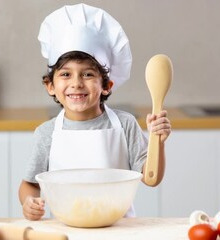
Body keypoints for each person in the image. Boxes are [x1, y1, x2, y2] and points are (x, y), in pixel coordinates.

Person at [19, 3, 171, 221]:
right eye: (65, 74)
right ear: (50, 86)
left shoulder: (125, 124)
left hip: (120, 229)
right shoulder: (47, 133)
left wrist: (159, 140)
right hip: (66, 230)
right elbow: (29, 184)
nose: (76, 83)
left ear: (107, 85)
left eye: (88, 74)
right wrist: (29, 202)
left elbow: (151, 178)